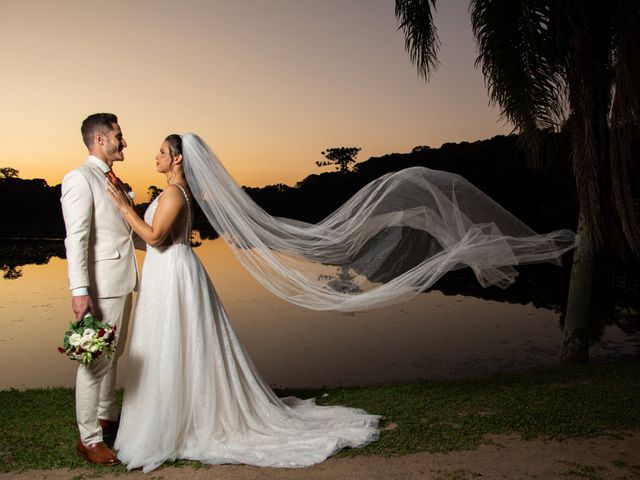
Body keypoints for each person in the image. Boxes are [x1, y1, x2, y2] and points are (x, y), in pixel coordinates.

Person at [108, 134, 380, 472]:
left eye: (162, 152)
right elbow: (150, 240)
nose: (156, 156)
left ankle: (179, 422)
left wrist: (124, 206)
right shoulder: (175, 193)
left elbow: (155, 237)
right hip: (168, 272)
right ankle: (175, 414)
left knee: (177, 342)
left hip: (175, 275)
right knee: (171, 344)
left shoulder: (175, 194)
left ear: (178, 159)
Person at [60, 113, 140, 466]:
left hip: (123, 280)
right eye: (118, 136)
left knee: (114, 354)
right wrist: (80, 290)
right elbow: (76, 239)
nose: (124, 142)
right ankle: (89, 439)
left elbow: (125, 231)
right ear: (99, 139)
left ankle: (106, 416)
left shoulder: (113, 180)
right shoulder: (79, 179)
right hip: (101, 284)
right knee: (95, 361)